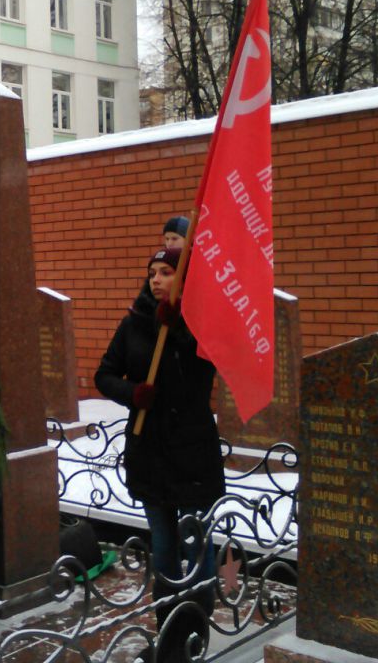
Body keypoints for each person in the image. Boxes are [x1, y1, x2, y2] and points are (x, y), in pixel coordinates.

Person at [94, 247, 223, 663]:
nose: (156, 279)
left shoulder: (201, 322)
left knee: (195, 547)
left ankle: (195, 630)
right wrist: (133, 393)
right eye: (152, 272)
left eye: (166, 272)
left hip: (191, 455)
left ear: (183, 279)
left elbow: (203, 375)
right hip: (150, 454)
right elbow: (104, 374)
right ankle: (168, 629)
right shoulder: (134, 322)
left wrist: (181, 330)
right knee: (164, 547)